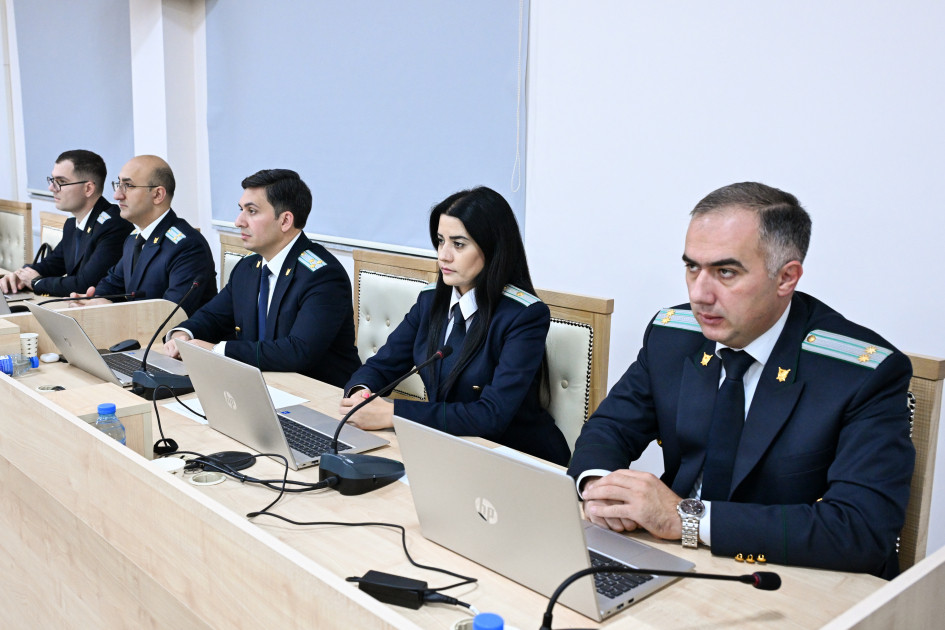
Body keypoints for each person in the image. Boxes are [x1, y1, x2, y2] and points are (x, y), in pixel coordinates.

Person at [568, 182, 914, 578]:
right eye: (692, 267)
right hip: (673, 561)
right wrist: (598, 488)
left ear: (786, 278)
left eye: (725, 272)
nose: (699, 294)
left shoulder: (862, 373)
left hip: (790, 577)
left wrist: (686, 519)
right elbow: (611, 427)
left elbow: (860, 531)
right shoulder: (673, 334)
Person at [339, 186, 571, 466]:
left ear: (492, 247)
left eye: (458, 244)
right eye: (440, 241)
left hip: (514, 457)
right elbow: (382, 366)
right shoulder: (430, 301)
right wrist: (361, 396)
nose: (443, 256)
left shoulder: (524, 316)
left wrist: (392, 414)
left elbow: (491, 415)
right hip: (449, 446)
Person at [163, 169, 360, 388]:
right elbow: (213, 316)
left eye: (252, 211)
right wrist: (183, 333)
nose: (238, 221)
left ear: (285, 220)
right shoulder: (248, 268)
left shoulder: (323, 276)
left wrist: (217, 350)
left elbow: (298, 351)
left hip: (320, 398)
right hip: (262, 386)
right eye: (241, 210)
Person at [69, 155, 216, 315]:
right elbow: (113, 283)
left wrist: (110, 310)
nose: (117, 195)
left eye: (128, 186)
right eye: (118, 184)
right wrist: (93, 300)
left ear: (158, 195)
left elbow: (171, 316)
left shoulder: (187, 246)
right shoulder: (134, 238)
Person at [0, 150, 132, 297]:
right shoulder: (71, 224)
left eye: (61, 182)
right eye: (52, 180)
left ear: (88, 188)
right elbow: (52, 263)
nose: (51, 188)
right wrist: (20, 276)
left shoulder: (115, 225)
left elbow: (85, 284)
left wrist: (36, 282)